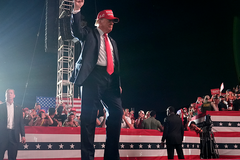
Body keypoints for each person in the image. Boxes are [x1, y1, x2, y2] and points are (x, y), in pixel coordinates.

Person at [70, 0, 123, 159]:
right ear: (100, 21)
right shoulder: (89, 34)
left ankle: (111, 156)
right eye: (109, 21)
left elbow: (116, 64)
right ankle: (88, 157)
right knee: (88, 119)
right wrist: (77, 10)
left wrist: (117, 84)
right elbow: (76, 30)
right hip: (92, 78)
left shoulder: (113, 41)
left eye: (113, 22)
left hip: (110, 81)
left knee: (117, 112)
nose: (112, 24)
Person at [0, 89, 26, 160]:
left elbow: (21, 122)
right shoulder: (1, 107)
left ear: (14, 95)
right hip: (2, 135)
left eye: (11, 93)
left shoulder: (18, 108)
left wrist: (23, 135)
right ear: (5, 95)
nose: (9, 94)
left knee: (12, 157)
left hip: (14, 135)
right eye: (8, 93)